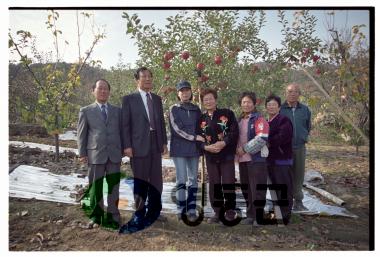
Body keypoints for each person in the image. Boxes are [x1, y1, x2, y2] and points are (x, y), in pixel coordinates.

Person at [119, 67, 168, 234]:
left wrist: (164, 142)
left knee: (156, 181)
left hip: (156, 144)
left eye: (149, 76)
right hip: (138, 146)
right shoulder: (129, 99)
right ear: (137, 80)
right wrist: (126, 146)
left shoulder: (156, 99)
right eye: (144, 76)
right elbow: (125, 125)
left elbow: (161, 122)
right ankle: (139, 213)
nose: (147, 79)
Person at [77, 79, 122, 229]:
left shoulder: (117, 110)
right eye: (100, 88)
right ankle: (97, 216)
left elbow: (122, 132)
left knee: (113, 187)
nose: (103, 91)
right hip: (95, 154)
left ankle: (113, 215)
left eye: (106, 89)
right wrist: (82, 153)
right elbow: (81, 134)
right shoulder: (86, 111)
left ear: (109, 92)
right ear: (93, 91)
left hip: (114, 154)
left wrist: (123, 149)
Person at [198, 88, 239, 224]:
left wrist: (224, 143)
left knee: (228, 183)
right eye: (205, 100)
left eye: (210, 98)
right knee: (214, 184)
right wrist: (205, 147)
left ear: (216, 99)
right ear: (203, 102)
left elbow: (234, 132)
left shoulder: (227, 114)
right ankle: (217, 212)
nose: (208, 101)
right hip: (210, 157)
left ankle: (230, 211)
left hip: (226, 155)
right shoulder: (201, 119)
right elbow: (197, 137)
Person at [169, 81, 204, 222]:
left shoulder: (196, 109)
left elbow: (202, 127)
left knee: (193, 180)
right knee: (181, 180)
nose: (185, 93)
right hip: (179, 149)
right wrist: (194, 137)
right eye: (182, 91)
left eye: (187, 90)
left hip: (194, 150)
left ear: (191, 92)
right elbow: (177, 129)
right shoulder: (174, 109)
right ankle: (181, 209)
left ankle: (191, 208)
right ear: (178, 94)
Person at [235, 92, 269, 226]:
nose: (246, 104)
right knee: (246, 188)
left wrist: (244, 149)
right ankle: (250, 215)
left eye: (249, 102)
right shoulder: (239, 120)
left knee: (257, 189)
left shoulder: (259, 119)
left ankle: (258, 216)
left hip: (256, 160)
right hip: (243, 160)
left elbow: (262, 138)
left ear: (254, 104)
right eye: (243, 102)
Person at [280, 83, 311, 211]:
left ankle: (298, 201)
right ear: (285, 93)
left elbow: (307, 126)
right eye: (290, 91)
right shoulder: (280, 109)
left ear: (299, 94)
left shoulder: (305, 110)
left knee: (298, 174)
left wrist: (303, 137)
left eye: (296, 91)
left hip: (299, 147)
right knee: (284, 175)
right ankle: (285, 202)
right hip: (283, 149)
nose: (293, 94)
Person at [266, 94, 294, 224]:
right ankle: (278, 213)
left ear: (279, 106)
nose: (271, 107)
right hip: (270, 160)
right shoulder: (267, 121)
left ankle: (285, 215)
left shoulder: (283, 120)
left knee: (284, 187)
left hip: (282, 159)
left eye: (274, 104)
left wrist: (268, 142)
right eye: (269, 104)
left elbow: (283, 136)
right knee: (274, 188)